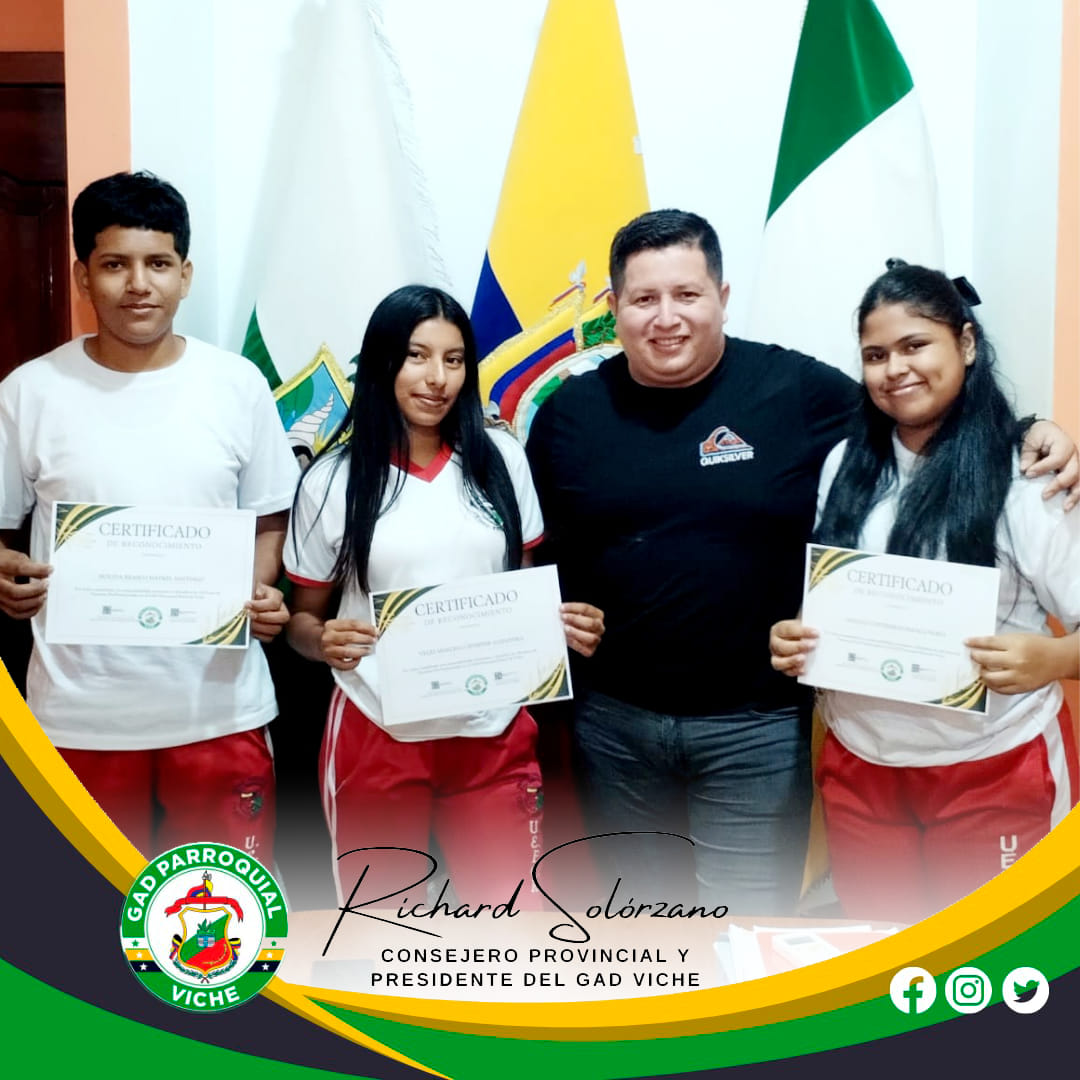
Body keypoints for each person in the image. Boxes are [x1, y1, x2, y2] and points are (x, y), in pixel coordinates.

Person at [525, 209, 1079, 916]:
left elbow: (919, 408)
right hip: (618, 728)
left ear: (723, 296)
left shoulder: (798, 392)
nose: (666, 317)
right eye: (644, 298)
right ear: (614, 307)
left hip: (757, 732)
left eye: (687, 294)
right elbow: (527, 553)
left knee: (754, 931)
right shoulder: (567, 414)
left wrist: (1032, 431)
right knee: (646, 928)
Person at [0, 171, 298, 860]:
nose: (139, 285)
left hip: (219, 712)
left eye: (158, 263)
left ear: (185, 275)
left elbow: (268, 518)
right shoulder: (29, 392)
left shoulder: (237, 386)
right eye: (115, 265)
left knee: (223, 913)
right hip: (77, 717)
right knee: (79, 919)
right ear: (83, 276)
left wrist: (256, 591)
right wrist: (7, 571)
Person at [769, 261, 1079, 923]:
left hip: (995, 767)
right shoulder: (845, 464)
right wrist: (797, 635)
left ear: (965, 343)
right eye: (876, 355)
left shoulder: (1028, 473)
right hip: (860, 765)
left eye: (915, 345)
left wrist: (1056, 658)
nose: (895, 369)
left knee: (993, 963)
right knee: (882, 956)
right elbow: (832, 596)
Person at [284, 285, 604, 906]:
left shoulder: (502, 458)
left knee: (514, 922)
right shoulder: (332, 479)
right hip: (378, 726)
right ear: (382, 362)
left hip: (492, 730)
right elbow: (302, 619)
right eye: (417, 357)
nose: (437, 378)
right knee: (382, 924)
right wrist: (322, 641)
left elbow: (519, 588)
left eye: (454, 360)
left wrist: (558, 624)